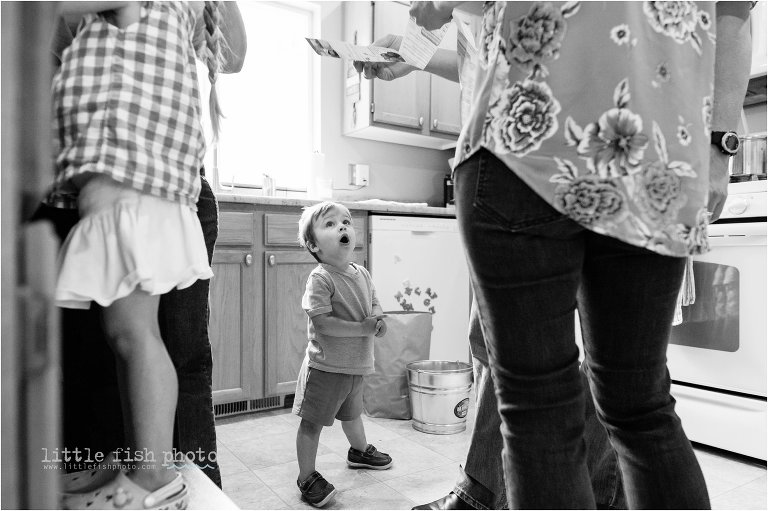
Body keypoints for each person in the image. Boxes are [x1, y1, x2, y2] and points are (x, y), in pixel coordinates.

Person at [361, 1, 752, 508]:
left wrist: (431, 10)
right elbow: (734, 10)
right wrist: (721, 148)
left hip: (526, 142)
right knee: (641, 407)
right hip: (653, 150)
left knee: (539, 410)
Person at [36, 2, 246, 491]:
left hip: (132, 188)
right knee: (126, 338)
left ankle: (156, 474)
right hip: (130, 189)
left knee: (136, 337)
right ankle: (141, 463)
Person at [293, 201, 391, 508]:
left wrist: (377, 323)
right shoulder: (320, 278)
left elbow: (374, 305)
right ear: (313, 244)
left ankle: (358, 451)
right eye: (331, 224)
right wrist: (362, 329)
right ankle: (306, 475)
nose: (343, 227)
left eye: (346, 221)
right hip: (326, 366)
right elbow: (322, 322)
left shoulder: (361, 272)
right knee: (313, 422)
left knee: (352, 413)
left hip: (355, 365)